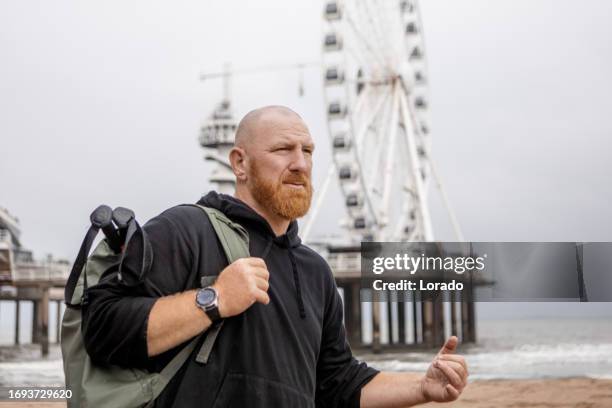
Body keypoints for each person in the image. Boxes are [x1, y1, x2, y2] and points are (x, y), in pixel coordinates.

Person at [83, 105, 468, 407]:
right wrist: (214, 299)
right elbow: (102, 327)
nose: (300, 163)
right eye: (283, 149)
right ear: (239, 163)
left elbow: (336, 384)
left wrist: (422, 387)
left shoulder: (315, 271)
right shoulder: (187, 229)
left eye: (308, 151)